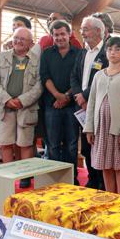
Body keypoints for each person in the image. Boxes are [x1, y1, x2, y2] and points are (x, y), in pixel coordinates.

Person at [84, 37, 120, 195]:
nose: (113, 53)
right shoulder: (99, 75)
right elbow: (91, 101)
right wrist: (89, 128)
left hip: (118, 128)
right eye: (110, 49)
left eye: (117, 50)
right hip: (101, 127)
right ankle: (110, 196)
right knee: (105, 164)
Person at [0, 27, 43, 164]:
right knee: (5, 144)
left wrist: (21, 101)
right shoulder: (1, 56)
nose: (18, 41)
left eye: (22, 39)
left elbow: (40, 85)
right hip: (5, 108)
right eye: (16, 37)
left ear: (31, 43)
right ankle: (8, 177)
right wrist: (6, 99)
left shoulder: (37, 61)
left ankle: (25, 177)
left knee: (25, 144)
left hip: (26, 109)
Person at [39, 20, 80, 184]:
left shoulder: (79, 53)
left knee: (71, 144)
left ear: (69, 34)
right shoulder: (47, 53)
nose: (60, 37)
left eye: (63, 34)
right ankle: (55, 179)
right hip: (51, 105)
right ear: (52, 36)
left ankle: (72, 178)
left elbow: (78, 78)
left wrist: (66, 96)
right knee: (53, 144)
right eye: (56, 35)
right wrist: (57, 95)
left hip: (72, 106)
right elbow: (45, 76)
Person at [70, 16, 108, 189]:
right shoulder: (82, 52)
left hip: (99, 105)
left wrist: (85, 96)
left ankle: (102, 180)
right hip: (82, 106)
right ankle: (92, 178)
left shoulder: (107, 52)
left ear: (98, 31)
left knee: (99, 145)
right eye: (82, 30)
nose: (82, 33)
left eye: (86, 29)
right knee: (85, 146)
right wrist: (79, 95)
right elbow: (74, 76)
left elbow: (102, 79)